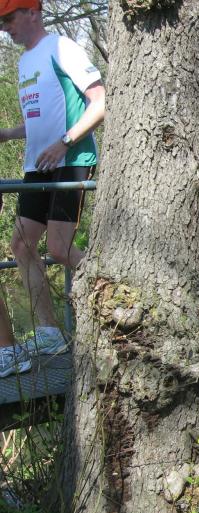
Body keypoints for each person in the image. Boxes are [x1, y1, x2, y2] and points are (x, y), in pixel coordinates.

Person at [0, 0, 105, 354]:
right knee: (21, 245)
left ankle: (118, 291)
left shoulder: (62, 48)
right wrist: (7, 134)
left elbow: (100, 102)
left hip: (71, 159)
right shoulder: (23, 62)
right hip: (37, 166)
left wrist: (64, 143)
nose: (4, 27)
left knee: (59, 249)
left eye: (8, 18)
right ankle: (49, 333)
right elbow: (36, 121)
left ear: (32, 12)